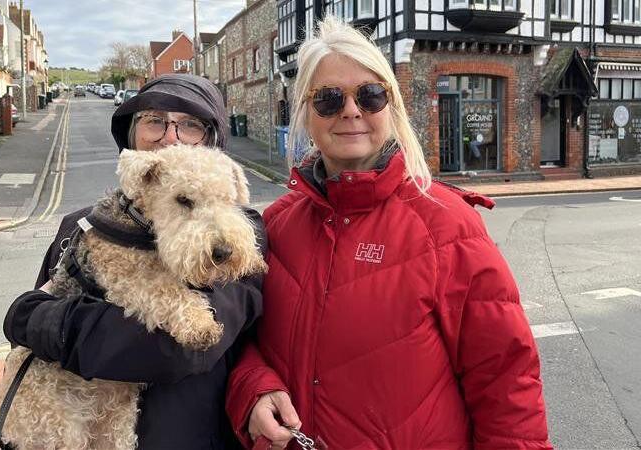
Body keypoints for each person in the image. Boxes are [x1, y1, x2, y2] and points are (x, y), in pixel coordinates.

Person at [225, 17, 552, 450]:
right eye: (327, 99)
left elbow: (506, 378)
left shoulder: (448, 224)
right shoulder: (276, 225)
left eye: (370, 95)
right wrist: (253, 387)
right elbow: (238, 338)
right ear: (304, 111)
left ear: (391, 106)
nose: (351, 110)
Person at [3, 74, 263, 449]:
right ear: (132, 134)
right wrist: (28, 322)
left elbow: (171, 349)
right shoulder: (82, 226)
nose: (170, 137)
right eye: (155, 120)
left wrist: (30, 319)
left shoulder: (238, 240)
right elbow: (37, 321)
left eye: (190, 125)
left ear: (214, 145)